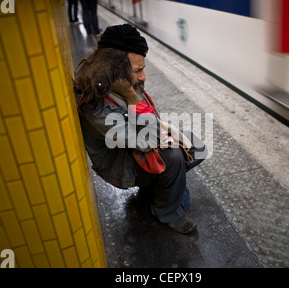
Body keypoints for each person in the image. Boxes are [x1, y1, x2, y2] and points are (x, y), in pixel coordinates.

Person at [74, 24, 207, 234]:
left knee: (197, 148)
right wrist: (130, 96)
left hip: (137, 146)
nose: (143, 76)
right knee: (172, 157)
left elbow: (150, 122)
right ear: (114, 71)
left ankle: (161, 185)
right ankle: (167, 211)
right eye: (138, 70)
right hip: (121, 165)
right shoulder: (97, 107)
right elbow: (151, 139)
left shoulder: (117, 83)